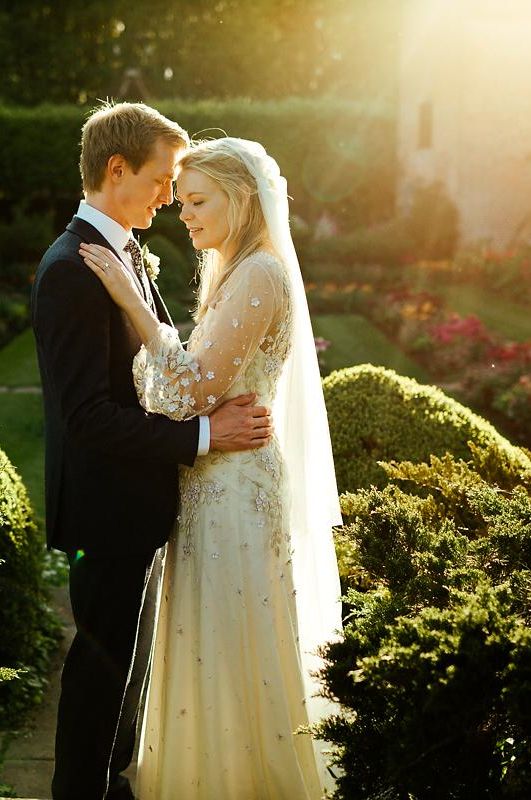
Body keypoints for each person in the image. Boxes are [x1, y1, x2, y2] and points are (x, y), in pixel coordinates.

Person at [80, 136, 343, 799]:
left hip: (233, 489)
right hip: (211, 480)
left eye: (197, 201)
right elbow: (182, 391)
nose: (184, 214)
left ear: (241, 197)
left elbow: (186, 394)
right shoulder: (233, 268)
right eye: (181, 201)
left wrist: (133, 308)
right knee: (209, 643)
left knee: (229, 643)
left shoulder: (258, 272)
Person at [31, 105, 272, 800]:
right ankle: (82, 791)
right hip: (105, 510)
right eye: (162, 179)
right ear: (117, 169)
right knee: (100, 666)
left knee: (123, 665)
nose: (169, 195)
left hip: (134, 502)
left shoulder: (124, 251)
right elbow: (88, 419)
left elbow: (157, 369)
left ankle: (112, 782)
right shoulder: (73, 269)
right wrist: (203, 435)